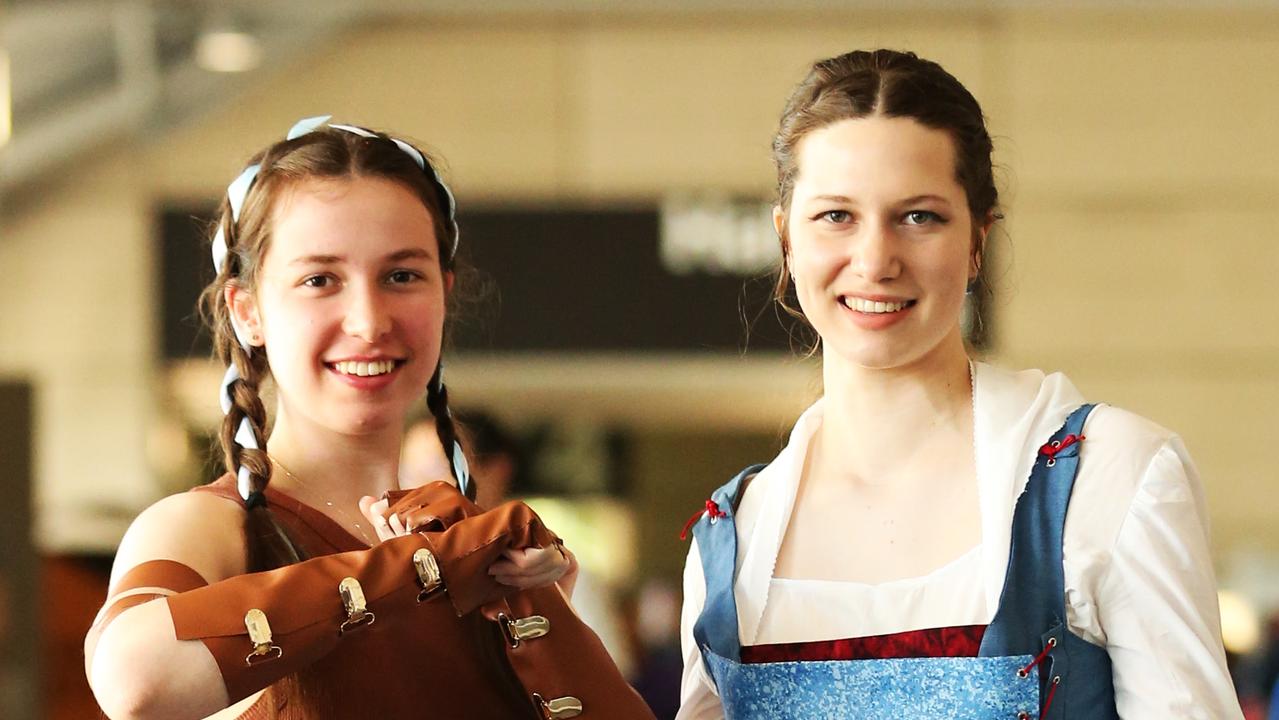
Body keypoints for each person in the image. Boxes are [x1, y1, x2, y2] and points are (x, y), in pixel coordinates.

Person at [676, 50, 1243, 719]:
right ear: (785, 240)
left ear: (977, 239)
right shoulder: (733, 530)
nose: (874, 260)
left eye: (918, 216)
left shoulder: (1109, 474)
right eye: (836, 216)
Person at [84, 117, 651, 719]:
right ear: (247, 311)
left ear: (443, 293)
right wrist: (419, 571)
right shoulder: (209, 526)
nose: (369, 320)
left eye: (401, 276)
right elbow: (133, 684)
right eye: (319, 279)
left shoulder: (479, 542)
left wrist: (540, 602)